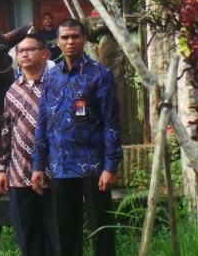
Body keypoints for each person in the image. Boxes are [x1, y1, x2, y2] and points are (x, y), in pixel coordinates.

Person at [31, 19, 122, 256]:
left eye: (75, 36)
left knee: (101, 228)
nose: (70, 41)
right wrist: (38, 165)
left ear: (84, 39)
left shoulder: (100, 75)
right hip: (60, 165)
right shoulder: (50, 77)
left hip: (94, 166)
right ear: (57, 42)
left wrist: (111, 166)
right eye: (65, 37)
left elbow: (111, 122)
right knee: (65, 231)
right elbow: (43, 122)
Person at [0, 34, 58, 256]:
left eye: (31, 49)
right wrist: (1, 169)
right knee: (28, 240)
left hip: (55, 173)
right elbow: (5, 132)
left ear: (45, 54)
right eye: (20, 51)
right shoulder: (12, 91)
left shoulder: (56, 86)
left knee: (57, 238)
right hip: (19, 175)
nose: (24, 54)